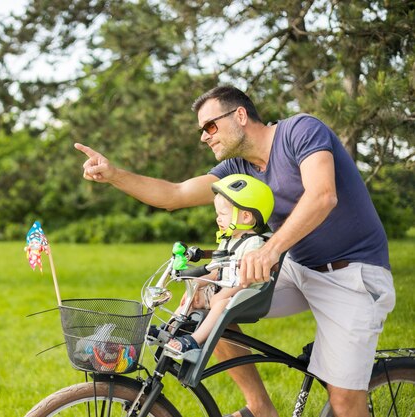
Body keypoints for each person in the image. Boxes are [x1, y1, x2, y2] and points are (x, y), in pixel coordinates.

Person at [74, 85, 395, 417]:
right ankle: (260, 409)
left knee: (344, 403)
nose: (204, 137)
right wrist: (114, 176)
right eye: (202, 131)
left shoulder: (300, 131)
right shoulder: (238, 169)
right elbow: (175, 194)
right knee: (209, 303)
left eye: (209, 126)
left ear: (240, 115)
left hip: (353, 274)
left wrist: (270, 250)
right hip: (299, 267)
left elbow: (323, 195)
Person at [164, 174, 274, 357]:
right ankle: (168, 330)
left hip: (243, 294)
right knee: (192, 296)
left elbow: (245, 280)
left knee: (220, 303)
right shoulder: (228, 241)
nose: (218, 219)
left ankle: (194, 341)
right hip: (222, 289)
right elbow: (216, 271)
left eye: (222, 214)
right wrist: (196, 283)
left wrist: (224, 294)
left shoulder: (254, 244)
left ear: (246, 217)